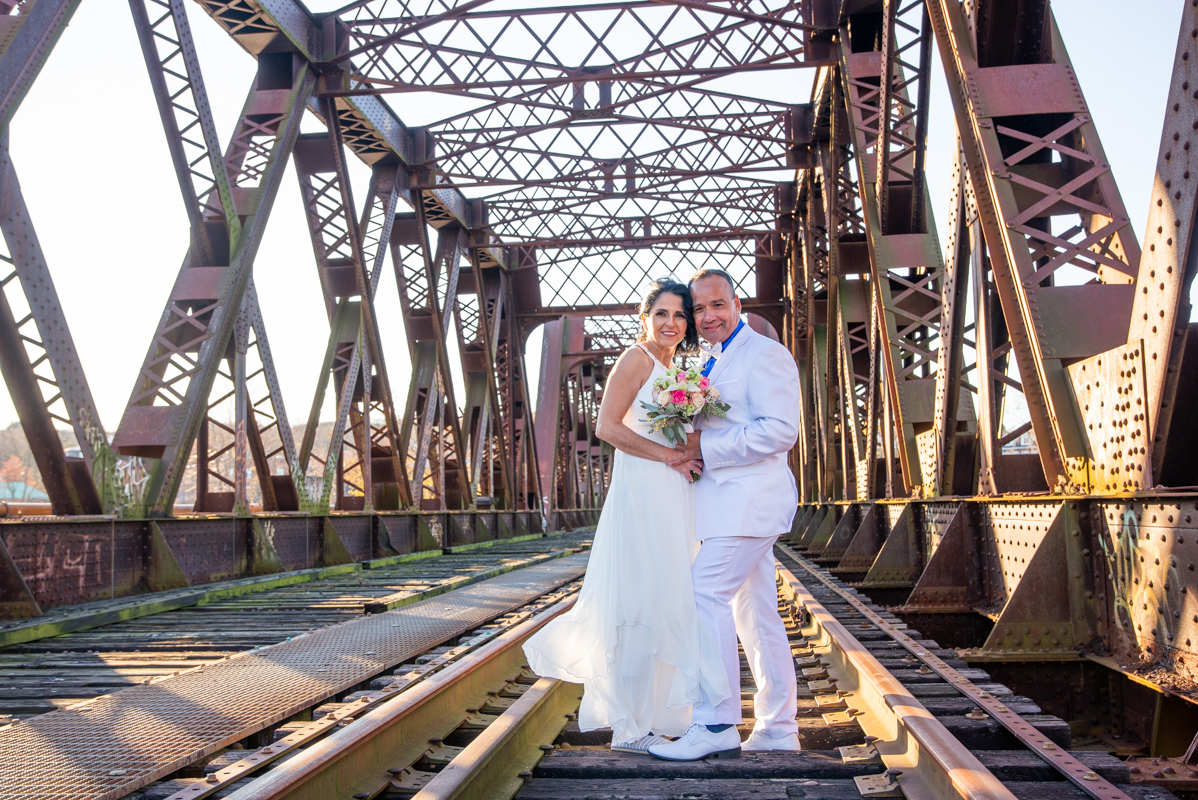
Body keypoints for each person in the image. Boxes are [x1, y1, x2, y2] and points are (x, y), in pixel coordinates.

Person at [522, 278, 731, 753]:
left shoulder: (679, 366)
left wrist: (688, 453)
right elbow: (607, 427)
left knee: (666, 592)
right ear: (645, 316)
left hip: (673, 490)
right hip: (642, 489)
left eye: (680, 315)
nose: (671, 323)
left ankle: (662, 714)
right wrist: (669, 456)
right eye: (662, 313)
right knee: (638, 594)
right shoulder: (636, 359)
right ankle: (630, 725)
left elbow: (680, 433)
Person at [648, 267, 802, 761]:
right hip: (725, 504)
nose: (709, 316)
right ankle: (779, 728)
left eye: (718, 305)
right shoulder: (708, 359)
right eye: (699, 309)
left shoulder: (765, 354)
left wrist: (705, 445)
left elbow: (780, 431)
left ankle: (715, 722)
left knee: (703, 594)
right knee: (756, 614)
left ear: (736, 304)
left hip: (750, 501)